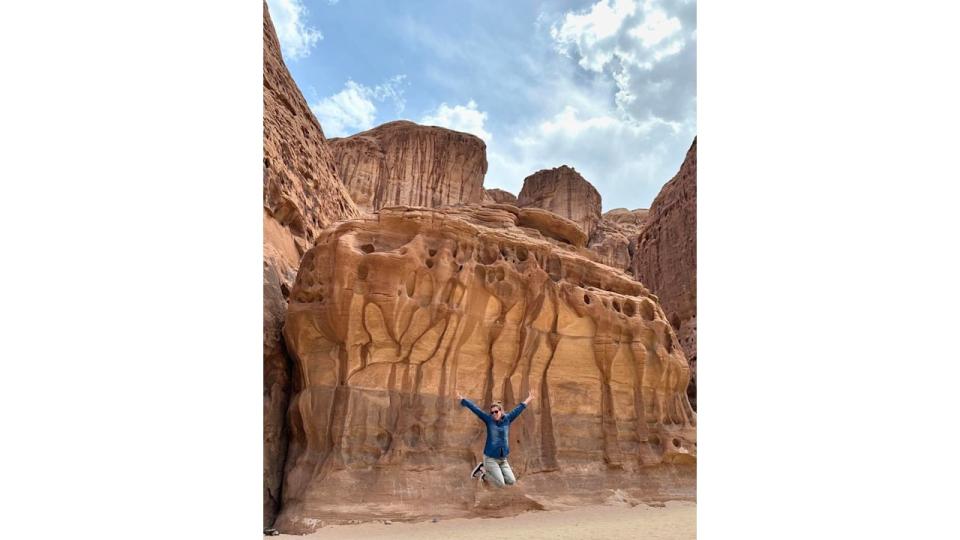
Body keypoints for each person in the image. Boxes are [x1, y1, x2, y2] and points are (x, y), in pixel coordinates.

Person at [456, 388, 535, 487]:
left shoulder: (507, 419)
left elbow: (519, 409)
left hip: (503, 459)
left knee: (511, 482)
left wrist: (529, 398)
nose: (494, 414)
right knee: (501, 484)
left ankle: (488, 470)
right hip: (490, 458)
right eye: (492, 412)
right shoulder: (489, 420)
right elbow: (475, 409)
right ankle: (483, 470)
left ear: (501, 411)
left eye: (496, 412)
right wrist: (462, 399)